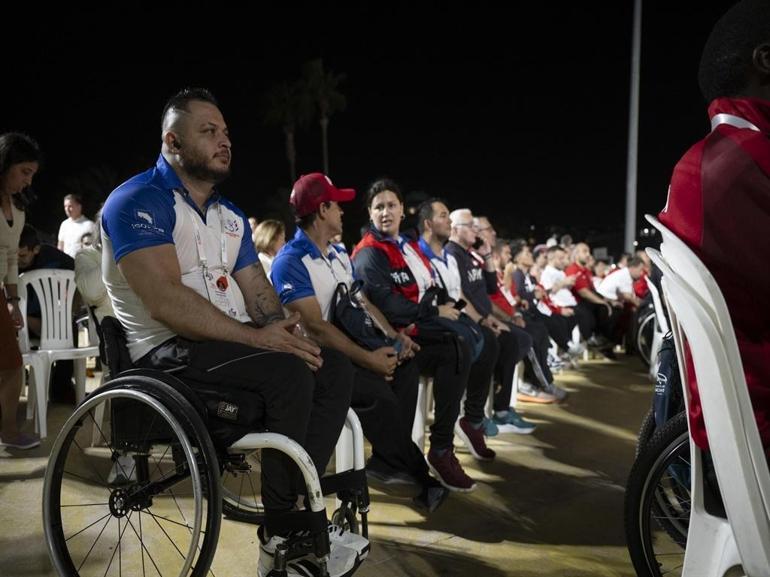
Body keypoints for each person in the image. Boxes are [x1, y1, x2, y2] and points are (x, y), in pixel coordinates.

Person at [100, 88, 367, 577]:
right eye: (209, 131)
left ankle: (291, 507)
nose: (224, 141)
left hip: (224, 346)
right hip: (163, 356)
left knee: (329, 366)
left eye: (225, 132)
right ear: (173, 142)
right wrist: (258, 338)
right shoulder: (136, 199)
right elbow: (165, 302)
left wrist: (280, 325)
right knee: (288, 372)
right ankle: (286, 529)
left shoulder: (230, 217)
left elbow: (260, 295)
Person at [271, 172, 450, 507]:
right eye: (337, 205)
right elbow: (316, 328)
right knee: (378, 393)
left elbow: (361, 302)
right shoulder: (290, 261)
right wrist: (368, 359)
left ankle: (386, 460)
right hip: (317, 359)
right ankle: (421, 477)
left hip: (346, 348)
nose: (342, 212)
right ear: (322, 210)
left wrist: (394, 338)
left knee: (404, 367)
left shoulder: (338, 253)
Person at [658, 0, 770, 457]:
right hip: (753, 420)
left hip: (735, 409)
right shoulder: (745, 161)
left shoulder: (713, 156)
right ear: (766, 59)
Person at [352, 179, 488, 491]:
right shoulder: (369, 253)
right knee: (456, 348)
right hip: (386, 338)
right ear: (370, 214)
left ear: (402, 210)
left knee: (462, 346)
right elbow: (387, 305)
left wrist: (435, 307)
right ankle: (430, 450)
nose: (385, 212)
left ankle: (443, 446)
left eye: (391, 205)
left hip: (410, 332)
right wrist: (432, 311)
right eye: (378, 207)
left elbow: (427, 291)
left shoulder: (403, 247)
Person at [417, 199, 536, 434]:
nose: (475, 230)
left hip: (462, 318)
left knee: (509, 339)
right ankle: (468, 419)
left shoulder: (457, 257)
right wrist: (479, 320)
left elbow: (477, 291)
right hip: (438, 324)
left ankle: (484, 413)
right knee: (489, 342)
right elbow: (450, 298)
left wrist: (488, 256)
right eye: (469, 225)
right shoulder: (443, 253)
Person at [0, 132, 41, 450]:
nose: (28, 181)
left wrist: (13, 301)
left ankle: (9, 432)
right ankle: (9, 432)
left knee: (13, 364)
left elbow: (12, 259)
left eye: (32, 174)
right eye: (24, 171)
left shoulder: (18, 209)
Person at [57, 193, 95, 258]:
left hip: (83, 265)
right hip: (66, 265)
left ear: (79, 206)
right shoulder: (64, 224)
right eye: (65, 206)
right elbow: (60, 247)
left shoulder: (89, 225)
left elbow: (93, 250)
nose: (67, 209)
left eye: (70, 206)